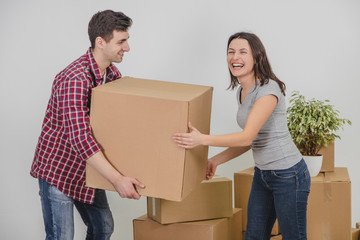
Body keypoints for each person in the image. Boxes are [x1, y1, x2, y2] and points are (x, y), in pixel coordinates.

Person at [173, 32, 310, 240]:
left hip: (288, 175)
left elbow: (246, 137)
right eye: (231, 52)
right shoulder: (242, 91)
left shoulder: (268, 90)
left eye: (242, 52)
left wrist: (202, 139)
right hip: (263, 175)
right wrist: (215, 160)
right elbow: (252, 140)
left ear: (257, 57)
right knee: (254, 236)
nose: (235, 57)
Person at [30, 10, 145, 240]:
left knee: (103, 228)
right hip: (59, 171)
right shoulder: (75, 78)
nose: (127, 48)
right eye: (121, 41)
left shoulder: (112, 75)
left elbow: (119, 124)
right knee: (62, 236)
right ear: (100, 42)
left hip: (88, 170)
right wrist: (117, 179)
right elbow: (80, 138)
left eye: (127, 41)